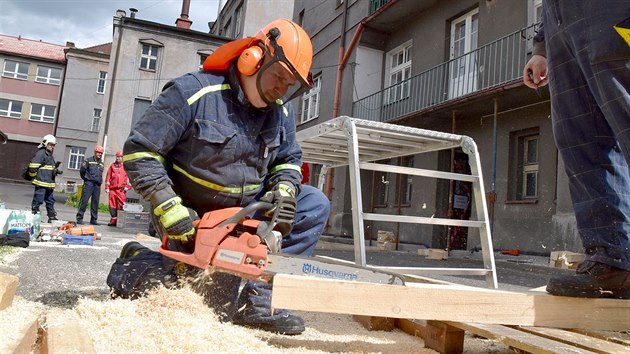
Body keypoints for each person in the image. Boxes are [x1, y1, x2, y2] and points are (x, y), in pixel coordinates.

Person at [116, 19, 330, 334]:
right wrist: (167, 206)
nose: (282, 89)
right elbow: (140, 151)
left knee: (314, 203)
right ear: (254, 58)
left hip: (247, 209)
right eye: (279, 77)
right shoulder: (193, 92)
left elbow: (288, 159)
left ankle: (259, 300)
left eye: (290, 84)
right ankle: (148, 262)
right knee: (185, 294)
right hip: (190, 213)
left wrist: (285, 190)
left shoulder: (281, 112)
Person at [523, 1, 630, 299]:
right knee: (582, 142)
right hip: (562, 30)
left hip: (615, 11)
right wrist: (543, 46)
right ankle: (614, 261)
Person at [29, 134, 61, 223]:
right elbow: (33, 166)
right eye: (50, 144)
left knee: (50, 201)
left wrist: (55, 170)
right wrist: (33, 177)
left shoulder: (49, 155)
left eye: (53, 145)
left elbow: (48, 167)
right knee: (38, 199)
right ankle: (35, 217)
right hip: (41, 182)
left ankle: (52, 217)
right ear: (45, 143)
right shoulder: (41, 153)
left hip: (48, 183)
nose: (52, 147)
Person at [76, 145, 104, 225]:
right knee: (84, 201)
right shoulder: (88, 160)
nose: (100, 154)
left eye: (101, 153)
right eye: (98, 152)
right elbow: (82, 171)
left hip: (97, 185)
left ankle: (94, 219)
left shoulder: (101, 163)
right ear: (95, 152)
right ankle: (79, 218)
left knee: (95, 202)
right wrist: (86, 178)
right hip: (89, 183)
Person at [105, 150, 131, 226]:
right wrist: (107, 187)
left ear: (123, 158)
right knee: (112, 205)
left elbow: (130, 178)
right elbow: (108, 177)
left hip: (121, 190)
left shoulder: (126, 167)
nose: (118, 158)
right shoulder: (112, 166)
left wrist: (128, 187)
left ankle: (121, 221)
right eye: (117, 157)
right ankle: (113, 220)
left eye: (119, 157)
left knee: (122, 205)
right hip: (113, 189)